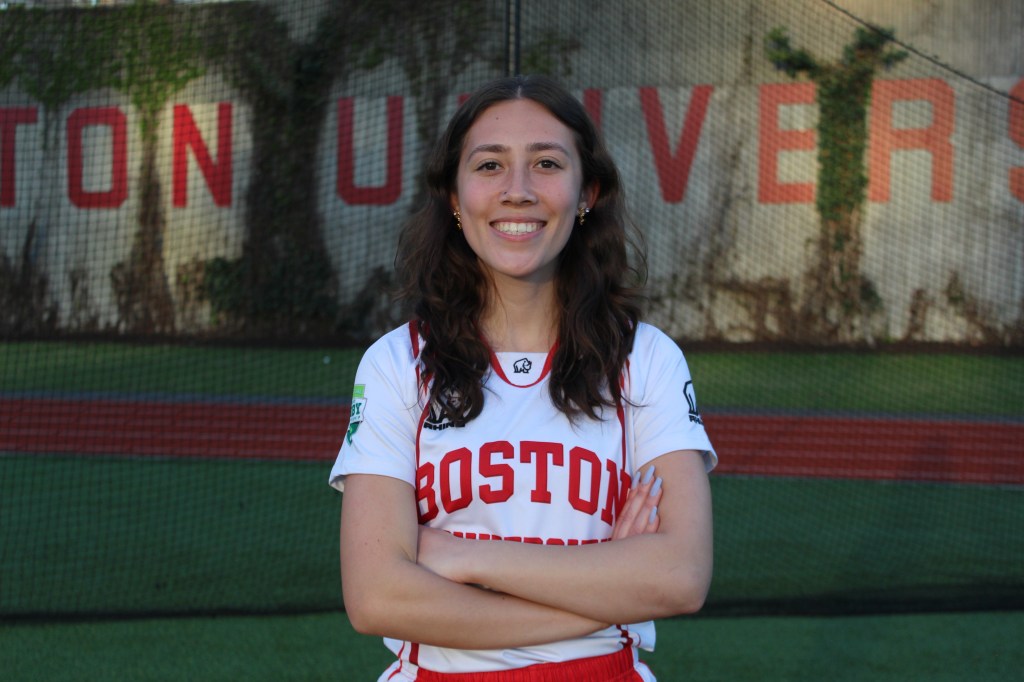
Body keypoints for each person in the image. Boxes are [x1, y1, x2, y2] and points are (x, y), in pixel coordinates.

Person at [329, 74, 716, 681]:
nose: (517, 191)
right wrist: (606, 596)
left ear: (586, 192)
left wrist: (462, 556)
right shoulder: (397, 363)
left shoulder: (645, 358)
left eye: (546, 164)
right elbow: (378, 598)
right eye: (489, 165)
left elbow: (681, 576)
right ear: (454, 198)